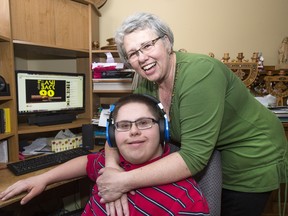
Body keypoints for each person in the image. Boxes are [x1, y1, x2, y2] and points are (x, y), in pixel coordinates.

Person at [96, 12, 288, 216]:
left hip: (251, 154)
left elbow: (194, 157)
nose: (142, 58)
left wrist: (123, 181)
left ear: (167, 42)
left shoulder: (200, 74)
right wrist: (111, 169)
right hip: (210, 156)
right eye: (133, 53)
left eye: (147, 45)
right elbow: (119, 125)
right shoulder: (146, 82)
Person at [0, 94, 209, 216]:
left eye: (144, 123)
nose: (134, 131)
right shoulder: (115, 162)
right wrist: (43, 178)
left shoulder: (185, 201)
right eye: (124, 125)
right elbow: (85, 162)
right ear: (111, 134)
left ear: (163, 129)